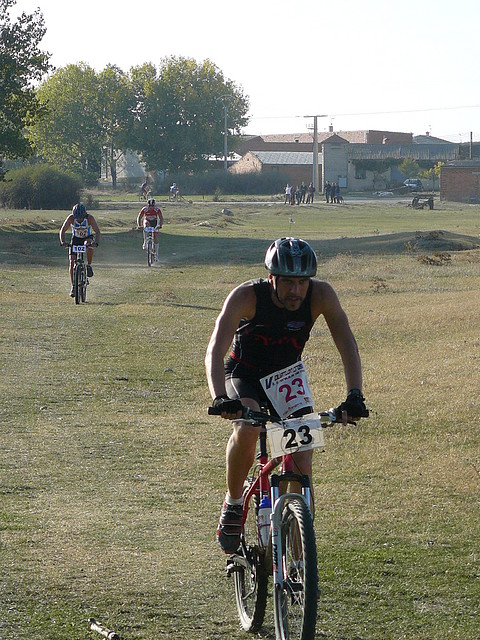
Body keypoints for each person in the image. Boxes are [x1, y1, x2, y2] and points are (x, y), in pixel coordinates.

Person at [205, 237, 368, 553]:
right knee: (249, 428)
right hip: (244, 374)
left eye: (302, 282)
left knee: (301, 461)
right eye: (287, 282)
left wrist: (355, 395)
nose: (296, 290)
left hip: (287, 378)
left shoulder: (322, 295)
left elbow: (347, 343)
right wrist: (220, 398)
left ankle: (300, 564)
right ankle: (235, 502)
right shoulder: (246, 296)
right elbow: (215, 349)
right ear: (271, 279)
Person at [59, 203, 100, 297]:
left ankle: (89, 265)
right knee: (72, 262)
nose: (79, 220)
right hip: (76, 239)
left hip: (87, 237)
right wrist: (63, 241)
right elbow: (63, 230)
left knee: (88, 244)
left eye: (81, 217)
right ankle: (73, 286)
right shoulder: (71, 218)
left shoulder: (90, 218)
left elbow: (97, 231)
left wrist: (96, 242)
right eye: (77, 218)